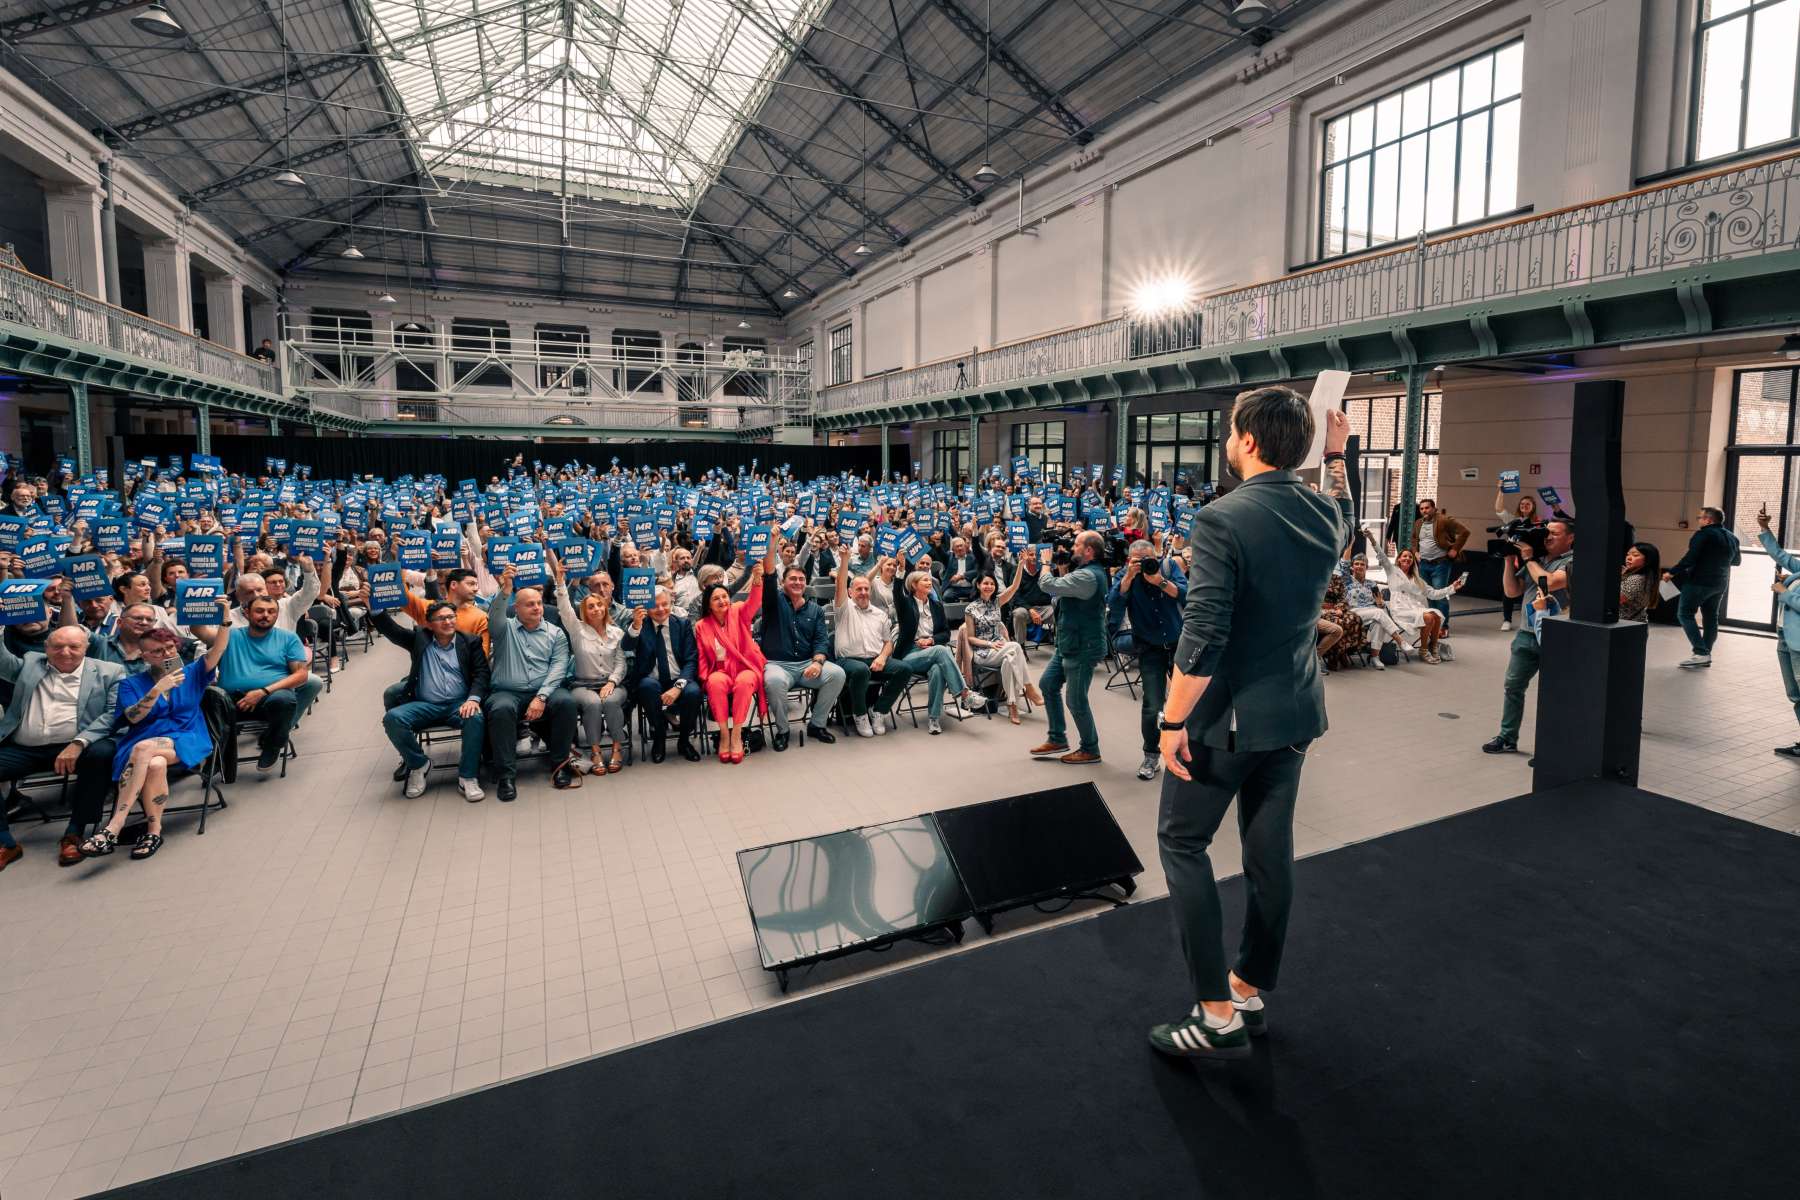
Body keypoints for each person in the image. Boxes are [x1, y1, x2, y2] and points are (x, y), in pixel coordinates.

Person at [1148, 390, 1353, 1061]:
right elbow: (1345, 514)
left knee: (1181, 845)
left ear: (1248, 442)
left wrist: (1172, 718)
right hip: (1295, 712)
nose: (1229, 439)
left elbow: (1203, 633)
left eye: (1233, 430)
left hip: (1227, 721)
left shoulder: (1222, 519)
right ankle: (1249, 986)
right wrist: (1335, 456)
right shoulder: (1325, 510)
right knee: (1270, 854)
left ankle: (1215, 1013)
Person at [81, 601, 234, 862]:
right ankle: (154, 831)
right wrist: (156, 691)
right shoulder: (131, 684)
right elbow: (131, 717)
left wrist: (226, 617)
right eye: (157, 652)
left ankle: (114, 827)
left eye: (170, 648)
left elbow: (218, 648)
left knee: (144, 751)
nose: (166, 655)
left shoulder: (192, 672)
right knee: (154, 764)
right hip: (144, 740)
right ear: (144, 656)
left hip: (186, 737)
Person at [0, 621, 125, 871]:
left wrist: (79, 742)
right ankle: (5, 841)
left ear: (86, 648)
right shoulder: (31, 663)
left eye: (73, 646)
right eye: (57, 646)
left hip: (76, 746)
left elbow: (113, 714)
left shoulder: (110, 671)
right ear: (46, 647)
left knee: (102, 753)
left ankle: (75, 831)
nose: (65, 652)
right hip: (26, 747)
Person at [370, 601, 488, 802]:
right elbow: (393, 631)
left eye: (451, 617)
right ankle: (418, 764)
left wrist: (473, 699)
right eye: (442, 618)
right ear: (429, 623)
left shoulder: (470, 642)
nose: (448, 621)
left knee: (475, 718)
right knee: (393, 719)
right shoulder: (419, 639)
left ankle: (467, 777)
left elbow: (482, 674)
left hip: (458, 704)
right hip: (426, 704)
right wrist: (373, 607)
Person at [1483, 518, 1575, 755]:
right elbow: (1512, 590)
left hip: (1557, 636)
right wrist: (1507, 559)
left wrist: (1528, 558)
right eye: (1547, 532)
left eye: (1555, 533)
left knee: (1556, 692)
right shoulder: (1539, 559)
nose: (1548, 536)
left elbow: (1551, 582)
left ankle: (1557, 743)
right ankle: (1507, 737)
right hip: (1526, 634)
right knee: (1513, 687)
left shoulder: (1574, 562)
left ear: (1570, 538)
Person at [484, 568, 577, 800]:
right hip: (507, 691)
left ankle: (560, 765)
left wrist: (542, 696)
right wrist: (505, 590)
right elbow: (494, 615)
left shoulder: (555, 633)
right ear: (516, 608)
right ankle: (506, 775)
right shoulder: (503, 629)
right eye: (529, 604)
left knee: (566, 701)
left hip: (542, 690)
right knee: (500, 709)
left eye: (539, 603)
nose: (537, 607)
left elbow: (559, 667)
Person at [1027, 530, 1110, 765]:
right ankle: (1057, 738)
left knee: (1075, 700)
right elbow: (1063, 593)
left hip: (1084, 646)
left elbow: (1048, 585)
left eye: (1076, 545)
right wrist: (1063, 567)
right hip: (1069, 642)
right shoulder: (1082, 573)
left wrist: (1045, 563)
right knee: (1048, 684)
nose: (1072, 548)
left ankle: (1090, 748)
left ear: (1089, 550)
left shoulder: (1089, 576)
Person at [216, 593, 322, 774]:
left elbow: (301, 675)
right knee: (208, 699)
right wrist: (221, 612)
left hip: (269, 698)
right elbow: (198, 631)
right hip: (231, 701)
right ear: (247, 613)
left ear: (277, 615)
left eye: (271, 611)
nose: (266, 615)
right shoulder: (229, 636)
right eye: (259, 611)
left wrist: (263, 691)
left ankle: (272, 745)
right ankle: (216, 757)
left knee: (284, 700)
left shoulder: (288, 638)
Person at [1107, 538, 1187, 779]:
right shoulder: (1125, 574)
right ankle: (1151, 756)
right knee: (1152, 705)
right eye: (1137, 561)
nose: (1143, 564)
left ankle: (1193, 751)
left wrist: (1159, 581)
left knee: (1191, 701)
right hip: (1149, 646)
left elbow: (1187, 595)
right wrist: (1129, 578)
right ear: (1130, 560)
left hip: (1177, 643)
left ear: (1156, 555)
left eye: (1147, 559)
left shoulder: (1168, 567)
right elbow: (1113, 603)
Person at [550, 551, 629, 776]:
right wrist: (560, 581)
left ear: (605, 608)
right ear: (584, 611)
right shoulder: (577, 630)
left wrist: (612, 682)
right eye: (591, 606)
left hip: (611, 684)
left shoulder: (616, 632)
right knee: (593, 703)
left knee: (611, 701)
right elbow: (564, 607)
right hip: (583, 686)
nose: (596, 609)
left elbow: (621, 663)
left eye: (599, 606)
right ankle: (595, 751)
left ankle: (616, 748)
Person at [758, 549, 844, 751]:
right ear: (783, 582)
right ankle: (783, 731)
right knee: (774, 681)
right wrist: (772, 544)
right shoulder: (773, 602)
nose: (797, 582)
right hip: (777, 664)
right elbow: (769, 575)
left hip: (806, 664)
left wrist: (818, 661)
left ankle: (817, 724)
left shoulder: (815, 609)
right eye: (792, 579)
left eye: (801, 579)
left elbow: (821, 641)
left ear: (806, 583)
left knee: (837, 674)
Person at [893, 562, 980, 736]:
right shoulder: (906, 604)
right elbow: (896, 592)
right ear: (913, 585)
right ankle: (964, 693)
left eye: (929, 580)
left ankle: (933, 719)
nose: (929, 582)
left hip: (931, 653)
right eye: (924, 580)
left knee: (938, 670)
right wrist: (900, 569)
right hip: (909, 654)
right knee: (942, 650)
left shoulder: (936, 605)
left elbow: (946, 634)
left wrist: (932, 640)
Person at [831, 549, 911, 737]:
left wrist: (883, 657)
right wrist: (844, 560)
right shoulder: (844, 608)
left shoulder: (880, 614)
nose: (863, 592)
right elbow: (840, 584)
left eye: (866, 589)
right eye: (858, 589)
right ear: (850, 593)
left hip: (875, 659)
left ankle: (879, 711)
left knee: (905, 669)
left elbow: (888, 642)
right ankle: (860, 715)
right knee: (860, 671)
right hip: (848, 660)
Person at [697, 564, 768, 764]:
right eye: (716, 598)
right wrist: (704, 678)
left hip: (744, 666)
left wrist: (756, 580)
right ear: (708, 604)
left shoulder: (738, 612)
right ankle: (724, 735)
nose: (722, 601)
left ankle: (736, 734)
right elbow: (702, 655)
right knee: (715, 683)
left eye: (724, 596)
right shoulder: (701, 626)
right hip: (719, 669)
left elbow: (754, 603)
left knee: (745, 683)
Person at [626, 586, 703, 763]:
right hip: (652, 679)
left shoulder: (682, 624)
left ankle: (684, 741)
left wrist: (678, 687)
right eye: (655, 605)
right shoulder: (640, 625)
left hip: (680, 677)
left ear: (671, 603)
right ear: (646, 607)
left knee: (693, 692)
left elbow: (691, 660)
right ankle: (659, 736)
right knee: (646, 686)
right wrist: (635, 627)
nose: (661, 609)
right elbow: (627, 646)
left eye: (665, 604)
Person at [1368, 537, 1465, 663]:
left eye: (1410, 557)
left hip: (1414, 608)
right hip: (1399, 609)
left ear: (1413, 561)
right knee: (1429, 617)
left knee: (1436, 615)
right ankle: (1424, 650)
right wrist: (1371, 539)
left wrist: (1453, 587)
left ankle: (1433, 646)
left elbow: (1433, 594)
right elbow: (1381, 554)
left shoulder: (1417, 579)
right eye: (1404, 556)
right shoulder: (1392, 571)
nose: (1407, 558)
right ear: (1399, 559)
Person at [961, 572, 1040, 724]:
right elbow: (970, 637)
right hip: (983, 652)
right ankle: (1028, 688)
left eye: (992, 584)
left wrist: (1021, 564)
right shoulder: (970, 609)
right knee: (1015, 646)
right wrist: (990, 644)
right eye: (985, 583)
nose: (989, 586)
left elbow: (1015, 586)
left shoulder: (997, 602)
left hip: (1002, 648)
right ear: (978, 585)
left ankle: (1012, 705)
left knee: (1009, 660)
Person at [1664, 506, 1738, 668]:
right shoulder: (1732, 537)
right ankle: (1705, 654)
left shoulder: (1703, 534)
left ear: (1708, 520)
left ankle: (1700, 652)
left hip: (1698, 582)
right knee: (1711, 617)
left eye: (1700, 518)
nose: (1699, 520)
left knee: (1684, 613)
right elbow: (1736, 561)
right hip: (1720, 583)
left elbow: (1690, 557)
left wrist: (1672, 572)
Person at [1754, 503, 1800, 758]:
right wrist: (1764, 528)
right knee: (1795, 694)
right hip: (1786, 638)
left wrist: (1784, 593)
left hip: (1799, 644)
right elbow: (1781, 556)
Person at [1407, 498, 1469, 630]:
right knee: (1429, 595)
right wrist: (1415, 552)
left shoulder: (1444, 520)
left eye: (1427, 508)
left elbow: (1465, 532)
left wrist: (1455, 549)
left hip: (1440, 564)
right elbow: (1413, 538)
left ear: (1434, 508)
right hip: (1423, 564)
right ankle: (1433, 623)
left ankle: (1443, 626)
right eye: (1422, 508)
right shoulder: (1418, 523)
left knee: (1441, 595)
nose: (1424, 510)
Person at [1492, 490, 1544, 631]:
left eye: (1528, 504)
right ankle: (1507, 619)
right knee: (1509, 589)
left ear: (1533, 506)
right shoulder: (1513, 520)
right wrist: (1501, 491)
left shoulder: (1539, 522)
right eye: (1522, 504)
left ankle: (1535, 619)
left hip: (1532, 560)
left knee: (1535, 590)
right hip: (1513, 561)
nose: (1524, 506)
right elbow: (1499, 509)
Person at [1619, 541, 1662, 623]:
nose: (1629, 558)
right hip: (1636, 622)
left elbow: (1615, 600)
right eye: (1628, 554)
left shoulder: (1636, 579)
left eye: (1635, 555)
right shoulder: (1648, 576)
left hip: (1626, 624)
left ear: (1648, 559)